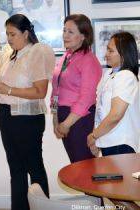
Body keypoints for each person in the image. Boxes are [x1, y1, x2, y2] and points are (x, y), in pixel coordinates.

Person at [0, 14, 55, 210]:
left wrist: (9, 90)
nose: (9, 39)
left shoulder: (37, 52)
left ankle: (42, 207)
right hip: (7, 114)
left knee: (34, 167)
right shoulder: (11, 53)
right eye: (7, 34)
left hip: (27, 118)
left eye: (13, 34)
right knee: (16, 169)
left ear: (26, 33)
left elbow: (39, 91)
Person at [50, 14, 102, 163]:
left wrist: (66, 124)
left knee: (84, 166)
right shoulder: (66, 57)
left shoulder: (88, 60)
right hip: (64, 117)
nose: (65, 35)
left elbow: (87, 98)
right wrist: (55, 119)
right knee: (76, 165)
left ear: (83, 36)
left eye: (70, 32)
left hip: (80, 120)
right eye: (64, 30)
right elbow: (56, 89)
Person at [87, 32, 140, 156]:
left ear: (123, 54)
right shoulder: (109, 74)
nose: (106, 55)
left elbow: (116, 115)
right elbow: (101, 111)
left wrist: (94, 136)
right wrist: (97, 138)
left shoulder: (126, 76)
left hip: (120, 143)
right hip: (107, 141)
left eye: (111, 51)